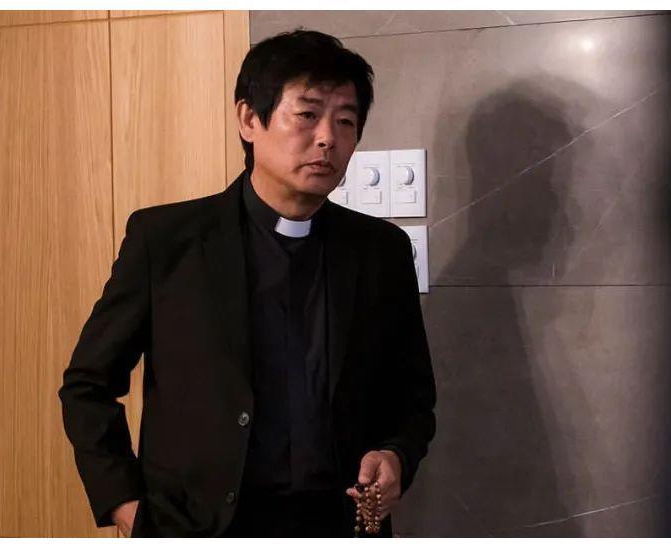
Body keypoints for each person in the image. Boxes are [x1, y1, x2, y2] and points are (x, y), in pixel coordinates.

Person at [57, 29, 436, 537]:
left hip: (337, 524)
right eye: (307, 115)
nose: (328, 137)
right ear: (249, 119)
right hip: (196, 526)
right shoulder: (166, 240)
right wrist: (125, 504)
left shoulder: (380, 250)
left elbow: (412, 396)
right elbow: (87, 384)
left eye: (346, 121)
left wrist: (396, 454)